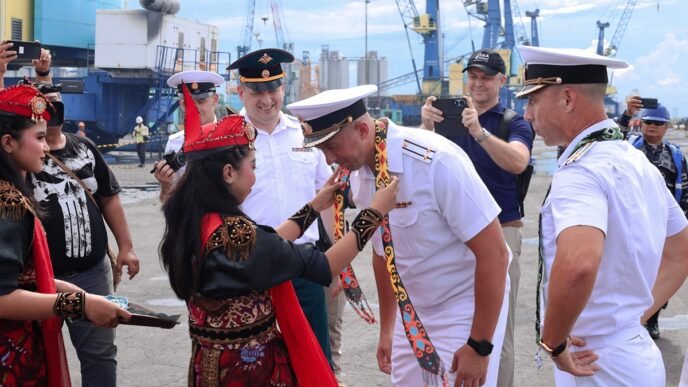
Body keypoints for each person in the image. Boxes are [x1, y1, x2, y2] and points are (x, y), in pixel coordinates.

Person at [159, 84, 399, 386]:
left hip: (209, 365)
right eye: (253, 166)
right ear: (228, 173)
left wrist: (314, 206)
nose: (255, 176)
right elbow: (323, 266)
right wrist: (373, 215)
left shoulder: (200, 221)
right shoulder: (236, 236)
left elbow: (267, 240)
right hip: (248, 371)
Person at [288, 85, 510, 387]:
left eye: (332, 147)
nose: (328, 159)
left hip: (464, 305)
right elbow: (385, 255)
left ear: (363, 129)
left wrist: (480, 345)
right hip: (413, 311)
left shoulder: (434, 161)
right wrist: (388, 329)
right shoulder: (361, 173)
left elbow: (495, 254)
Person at [516, 45, 688, 386]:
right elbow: (681, 251)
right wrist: (630, 319)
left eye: (533, 100)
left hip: (595, 364)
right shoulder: (637, 162)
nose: (527, 115)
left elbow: (579, 262)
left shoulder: (582, 172)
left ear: (567, 98)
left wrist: (555, 340)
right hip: (632, 353)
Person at [0, 83, 129, 386]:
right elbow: (3, 296)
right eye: (39, 138)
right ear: (8, 142)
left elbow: (22, 276)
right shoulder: (9, 206)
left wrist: (72, 291)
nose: (46, 148)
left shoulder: (13, 193)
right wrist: (78, 304)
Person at [420, 48, 533, 386]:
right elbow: (417, 166)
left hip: (501, 232)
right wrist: (425, 128)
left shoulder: (513, 122)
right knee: (449, 319)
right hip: (452, 236)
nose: (478, 83)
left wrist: (479, 134)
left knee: (500, 329)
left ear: (502, 80)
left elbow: (518, 161)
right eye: (473, 76)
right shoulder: (446, 121)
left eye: (486, 77)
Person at [27, 57, 141, 387]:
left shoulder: (85, 148)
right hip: (40, 278)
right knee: (38, 354)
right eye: (46, 107)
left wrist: (127, 247)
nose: (53, 112)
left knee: (99, 354)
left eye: (57, 105)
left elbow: (109, 197)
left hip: (92, 274)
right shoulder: (21, 156)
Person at [227, 48, 338, 376]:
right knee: (252, 362)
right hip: (249, 266)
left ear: (283, 88)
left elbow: (326, 197)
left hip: (303, 263)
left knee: (313, 357)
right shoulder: (229, 139)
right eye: (257, 91)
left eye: (272, 89)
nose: (266, 99)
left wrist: (332, 261)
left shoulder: (306, 135)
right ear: (240, 92)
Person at [618, 101, 687, 339]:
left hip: (663, 226)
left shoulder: (675, 156)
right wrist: (627, 114)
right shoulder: (628, 148)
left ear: (666, 127)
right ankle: (630, 319)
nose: (653, 128)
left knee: (660, 275)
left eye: (658, 124)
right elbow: (612, 137)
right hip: (632, 222)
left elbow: (685, 193)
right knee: (633, 273)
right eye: (648, 122)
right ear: (641, 123)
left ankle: (652, 318)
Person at [153, 70, 225, 201]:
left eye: (201, 101)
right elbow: (167, 202)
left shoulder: (232, 138)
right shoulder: (174, 143)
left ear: (215, 99)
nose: (195, 108)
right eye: (188, 103)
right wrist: (165, 184)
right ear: (181, 105)